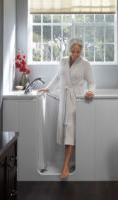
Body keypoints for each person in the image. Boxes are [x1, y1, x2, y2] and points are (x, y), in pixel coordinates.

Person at [38, 38, 95, 178]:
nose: (76, 54)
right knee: (67, 130)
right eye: (73, 51)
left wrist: (91, 91)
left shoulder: (85, 64)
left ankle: (65, 166)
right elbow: (58, 77)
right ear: (69, 50)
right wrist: (48, 88)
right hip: (64, 98)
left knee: (71, 130)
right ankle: (74, 162)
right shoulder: (63, 61)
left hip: (77, 98)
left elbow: (91, 82)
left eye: (78, 52)